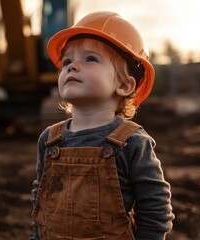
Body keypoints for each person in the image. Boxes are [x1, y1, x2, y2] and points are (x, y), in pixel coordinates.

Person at [30, 11, 174, 240]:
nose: (72, 66)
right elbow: (40, 199)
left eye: (90, 59)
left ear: (125, 86)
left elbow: (155, 206)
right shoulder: (49, 139)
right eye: (67, 61)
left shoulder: (132, 142)